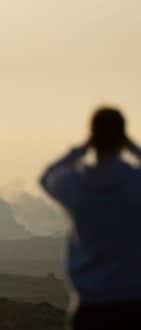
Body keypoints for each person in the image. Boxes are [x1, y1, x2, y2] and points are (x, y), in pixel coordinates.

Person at [40, 106, 141, 330]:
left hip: (90, 307)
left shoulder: (76, 186)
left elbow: (47, 176)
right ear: (122, 139)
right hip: (134, 303)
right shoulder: (135, 184)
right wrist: (133, 148)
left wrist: (80, 150)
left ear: (93, 137)